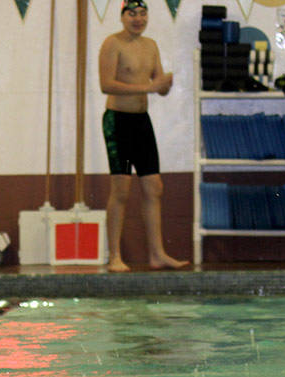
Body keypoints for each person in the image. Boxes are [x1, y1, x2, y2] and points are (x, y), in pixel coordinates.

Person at [97, 0, 187, 273]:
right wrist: (150, 87)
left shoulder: (151, 46)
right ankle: (115, 256)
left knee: (153, 186)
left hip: (141, 121)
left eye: (142, 13)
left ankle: (157, 254)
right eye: (132, 14)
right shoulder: (112, 44)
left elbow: (158, 86)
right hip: (117, 122)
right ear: (122, 17)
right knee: (121, 189)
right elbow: (106, 84)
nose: (138, 19)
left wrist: (164, 86)